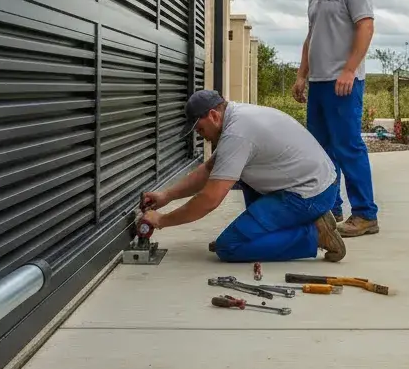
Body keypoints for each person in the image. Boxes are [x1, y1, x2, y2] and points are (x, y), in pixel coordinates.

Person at [139, 89, 347, 263]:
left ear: (213, 115)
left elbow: (210, 199)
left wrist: (163, 220)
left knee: (230, 246)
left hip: (309, 195)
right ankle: (263, 236)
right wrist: (166, 195)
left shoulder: (236, 134)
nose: (200, 135)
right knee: (233, 175)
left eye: (200, 129)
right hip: (313, 184)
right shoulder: (236, 116)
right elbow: (210, 170)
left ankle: (314, 234)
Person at [290, 0, 381, 237]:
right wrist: (302, 75)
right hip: (318, 83)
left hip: (343, 83)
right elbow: (310, 38)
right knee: (321, 152)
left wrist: (349, 70)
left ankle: (366, 215)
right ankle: (331, 208)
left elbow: (365, 26)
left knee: (348, 147)